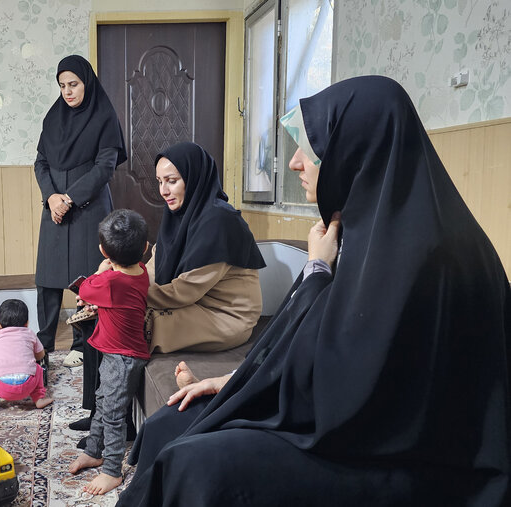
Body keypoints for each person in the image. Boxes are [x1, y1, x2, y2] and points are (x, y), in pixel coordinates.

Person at [117, 76, 511, 506]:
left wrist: (316, 269)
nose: (295, 163)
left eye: (312, 148)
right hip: (337, 417)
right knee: (167, 426)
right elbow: (322, 356)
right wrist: (236, 381)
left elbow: (343, 385)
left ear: (355, 151)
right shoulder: (361, 227)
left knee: (194, 466)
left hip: (391, 453)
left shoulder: (426, 251)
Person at [34, 54, 127, 369]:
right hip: (54, 208)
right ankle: (43, 342)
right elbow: (41, 162)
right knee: (48, 278)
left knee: (86, 278)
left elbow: (105, 168)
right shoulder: (53, 117)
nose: (67, 92)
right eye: (62, 86)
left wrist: (69, 198)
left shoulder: (104, 117)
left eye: (73, 84)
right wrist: (51, 198)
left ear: (86, 82)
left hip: (88, 208)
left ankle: (81, 342)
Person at [147, 142, 265, 354]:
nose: (163, 191)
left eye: (172, 181)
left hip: (224, 315)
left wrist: (127, 294)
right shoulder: (177, 219)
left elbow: (185, 291)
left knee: (135, 325)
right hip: (190, 304)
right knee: (114, 312)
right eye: (159, 182)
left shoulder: (220, 221)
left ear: (194, 178)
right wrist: (117, 281)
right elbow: (153, 268)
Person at [68, 209, 150, 495]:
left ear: (103, 250)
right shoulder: (141, 273)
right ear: (146, 248)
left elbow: (86, 288)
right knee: (103, 401)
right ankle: (94, 450)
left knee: (114, 413)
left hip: (123, 358)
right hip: (119, 354)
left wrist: (102, 270)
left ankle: (112, 470)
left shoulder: (110, 281)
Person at [0, 299, 54, 411]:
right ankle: (39, 399)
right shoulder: (30, 333)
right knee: (38, 369)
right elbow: (41, 355)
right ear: (27, 323)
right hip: (27, 385)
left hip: (1, 387)